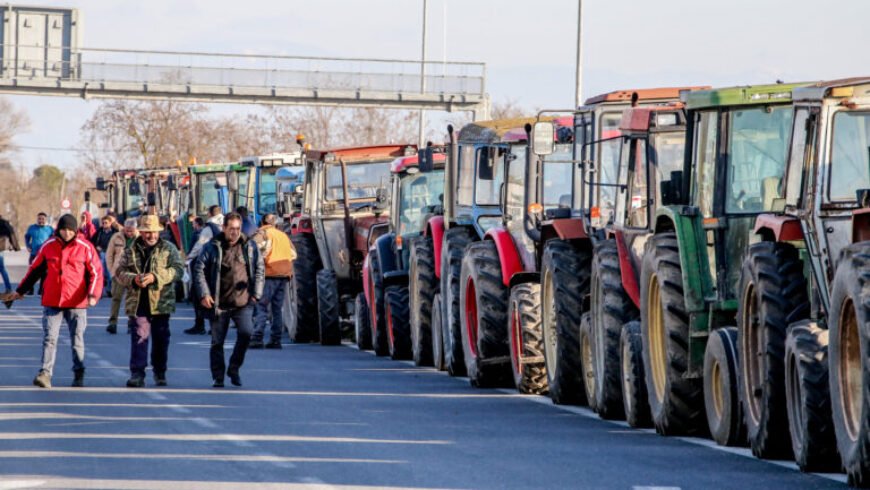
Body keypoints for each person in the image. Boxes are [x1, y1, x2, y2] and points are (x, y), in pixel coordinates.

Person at [10, 214, 103, 388]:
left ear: (75, 230)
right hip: (53, 301)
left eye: (70, 230)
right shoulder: (49, 246)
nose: (66, 233)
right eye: (63, 229)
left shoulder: (85, 247)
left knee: (77, 339)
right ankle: (45, 374)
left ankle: (78, 372)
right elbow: (35, 270)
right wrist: (20, 291)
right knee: (49, 338)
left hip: (77, 302)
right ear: (58, 230)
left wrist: (92, 295)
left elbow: (96, 273)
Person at [192, 212, 264, 388]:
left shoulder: (250, 246)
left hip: (243, 302)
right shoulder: (212, 247)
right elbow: (199, 269)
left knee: (247, 333)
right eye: (231, 229)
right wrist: (204, 294)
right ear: (224, 228)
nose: (235, 232)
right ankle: (218, 376)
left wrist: (257, 293)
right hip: (219, 303)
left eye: (238, 229)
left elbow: (260, 268)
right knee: (217, 342)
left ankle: (234, 368)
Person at [114, 215, 184, 388]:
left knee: (161, 340)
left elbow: (178, 270)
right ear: (141, 232)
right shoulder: (130, 250)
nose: (151, 236)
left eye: (154, 232)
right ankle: (137, 374)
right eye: (147, 232)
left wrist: (156, 277)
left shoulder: (169, 248)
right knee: (139, 337)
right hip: (138, 302)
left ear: (159, 232)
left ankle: (160, 372)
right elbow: (119, 272)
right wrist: (134, 279)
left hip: (161, 303)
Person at [251, 213, 296, 349]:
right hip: (284, 275)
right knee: (277, 309)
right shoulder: (283, 235)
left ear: (262, 222)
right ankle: (276, 340)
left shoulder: (262, 234)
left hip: (269, 274)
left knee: (261, 306)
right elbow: (293, 254)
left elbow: (252, 251)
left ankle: (257, 338)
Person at [184, 206, 223, 335]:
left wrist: (188, 257)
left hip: (207, 264)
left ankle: (200, 325)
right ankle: (216, 326)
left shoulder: (209, 228)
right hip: (223, 265)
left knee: (198, 294)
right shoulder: (227, 224)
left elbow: (200, 245)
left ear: (210, 213)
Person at [106, 219, 139, 334]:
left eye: (132, 231)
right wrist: (112, 271)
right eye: (127, 230)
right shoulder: (116, 237)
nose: (129, 233)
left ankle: (131, 322)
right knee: (116, 298)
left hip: (134, 273)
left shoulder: (140, 238)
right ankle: (112, 323)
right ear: (124, 228)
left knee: (132, 299)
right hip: (119, 272)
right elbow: (109, 254)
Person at [24, 212, 53, 295]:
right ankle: (30, 289)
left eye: (42, 219)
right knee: (31, 272)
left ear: (45, 220)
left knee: (44, 273)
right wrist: (28, 245)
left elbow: (53, 240)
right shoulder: (32, 228)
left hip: (45, 255)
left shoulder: (49, 229)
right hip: (34, 254)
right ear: (37, 219)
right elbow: (27, 237)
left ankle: (41, 289)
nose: (41, 220)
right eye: (39, 219)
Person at [91, 216, 116, 296]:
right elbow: (92, 241)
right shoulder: (100, 232)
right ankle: (100, 292)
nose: (104, 224)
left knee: (109, 274)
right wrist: (96, 246)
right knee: (101, 272)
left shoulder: (114, 232)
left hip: (110, 254)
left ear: (110, 223)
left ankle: (110, 290)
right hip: (101, 253)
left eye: (106, 223)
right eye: (103, 223)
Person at [0, 214, 20, 293]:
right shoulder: (4, 223)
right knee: (2, 269)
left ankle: (8, 288)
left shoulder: (3, 223)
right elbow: (11, 233)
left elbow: (11, 233)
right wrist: (15, 246)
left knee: (2, 269)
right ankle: (8, 288)